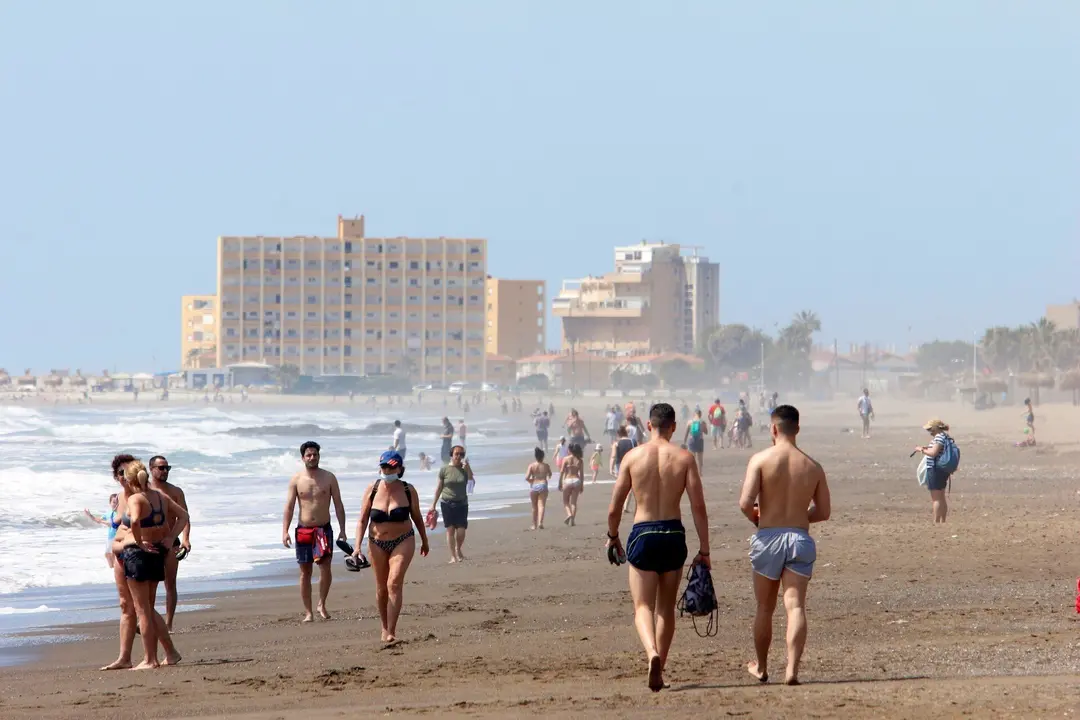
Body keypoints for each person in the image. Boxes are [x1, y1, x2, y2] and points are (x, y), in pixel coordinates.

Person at [605, 403, 710, 692]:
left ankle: (651, 651)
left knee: (642, 606)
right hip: (673, 533)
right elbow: (698, 507)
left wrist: (612, 536)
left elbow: (615, 508)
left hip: (643, 533)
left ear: (649, 425)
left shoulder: (632, 457)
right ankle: (660, 667)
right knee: (665, 609)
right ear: (674, 427)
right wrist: (705, 550)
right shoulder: (685, 458)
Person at [739, 404, 830, 686]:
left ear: (774, 428)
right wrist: (800, 518)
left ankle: (763, 667)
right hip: (799, 538)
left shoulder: (761, 460)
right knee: (796, 607)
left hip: (768, 537)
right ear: (797, 429)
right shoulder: (812, 466)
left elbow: (745, 503)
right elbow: (824, 511)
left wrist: (758, 518)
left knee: (765, 608)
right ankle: (791, 670)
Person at [101, 454, 180, 671]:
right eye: (121, 474)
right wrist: (113, 548)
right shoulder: (120, 497)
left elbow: (159, 524)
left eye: (128, 473)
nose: (124, 478)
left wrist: (170, 540)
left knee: (145, 607)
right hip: (121, 554)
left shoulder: (144, 497)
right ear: (117, 477)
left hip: (138, 552)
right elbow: (116, 528)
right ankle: (124, 657)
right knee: (126, 606)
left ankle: (159, 654)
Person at [353, 450, 428, 644]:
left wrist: (425, 540)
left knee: (393, 583)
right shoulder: (373, 489)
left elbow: (417, 517)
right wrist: (356, 547)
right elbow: (362, 520)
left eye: (391, 467)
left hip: (403, 540)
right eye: (384, 466)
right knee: (381, 588)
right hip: (376, 541)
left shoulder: (407, 490)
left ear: (400, 468)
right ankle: (383, 627)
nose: (387, 470)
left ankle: (392, 630)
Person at [281, 441, 347, 622]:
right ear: (303, 458)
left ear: (319, 456)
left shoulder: (329, 478)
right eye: (309, 455)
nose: (312, 457)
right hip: (303, 530)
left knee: (325, 568)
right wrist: (285, 531)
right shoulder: (296, 479)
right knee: (305, 572)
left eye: (315, 454)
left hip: (323, 530)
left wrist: (342, 529)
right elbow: (289, 507)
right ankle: (308, 611)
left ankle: (322, 604)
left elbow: (338, 505)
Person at [148, 455, 190, 632]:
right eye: (161, 468)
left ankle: (168, 624)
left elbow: (185, 518)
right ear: (151, 469)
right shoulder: (143, 490)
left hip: (171, 541)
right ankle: (148, 621)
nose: (165, 471)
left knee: (170, 584)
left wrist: (186, 539)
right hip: (150, 542)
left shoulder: (175, 491)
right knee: (149, 584)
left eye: (167, 468)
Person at [430, 445, 472, 563]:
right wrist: (433, 504)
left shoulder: (464, 469)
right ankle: (453, 556)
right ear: (451, 455)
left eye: (461, 454)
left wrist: (468, 467)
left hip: (462, 503)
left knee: (461, 530)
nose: (459, 456)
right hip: (447, 503)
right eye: (457, 454)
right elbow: (439, 487)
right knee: (450, 530)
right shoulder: (444, 469)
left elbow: (471, 480)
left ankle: (458, 549)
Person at [914, 418, 955, 523]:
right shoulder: (945, 436)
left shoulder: (939, 437)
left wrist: (921, 450)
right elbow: (937, 450)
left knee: (936, 498)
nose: (929, 432)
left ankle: (936, 522)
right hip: (942, 470)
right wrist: (927, 448)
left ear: (936, 428)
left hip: (936, 469)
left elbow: (934, 453)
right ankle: (943, 521)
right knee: (941, 496)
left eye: (930, 429)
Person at [84, 493, 121, 568]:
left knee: (114, 554)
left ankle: (116, 571)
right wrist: (90, 515)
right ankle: (112, 569)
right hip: (110, 537)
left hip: (117, 537)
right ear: (110, 503)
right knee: (107, 554)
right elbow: (98, 520)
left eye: (117, 502)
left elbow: (111, 524)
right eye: (113, 502)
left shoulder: (119, 513)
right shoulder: (108, 514)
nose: (115, 504)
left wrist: (102, 522)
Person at [525, 447, 552, 530]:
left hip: (534, 485)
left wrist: (531, 482)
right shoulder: (546, 465)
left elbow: (526, 477)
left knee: (534, 506)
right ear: (542, 457)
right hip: (543, 485)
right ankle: (540, 522)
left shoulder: (532, 465)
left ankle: (534, 525)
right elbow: (550, 475)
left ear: (535, 456)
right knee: (541, 505)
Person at [559, 443, 585, 526]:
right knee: (573, 502)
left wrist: (560, 483)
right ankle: (573, 521)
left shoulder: (566, 459)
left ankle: (569, 514)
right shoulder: (580, 460)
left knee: (566, 501)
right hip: (576, 480)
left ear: (570, 450)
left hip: (568, 480)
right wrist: (581, 485)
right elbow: (581, 474)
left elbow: (562, 471)